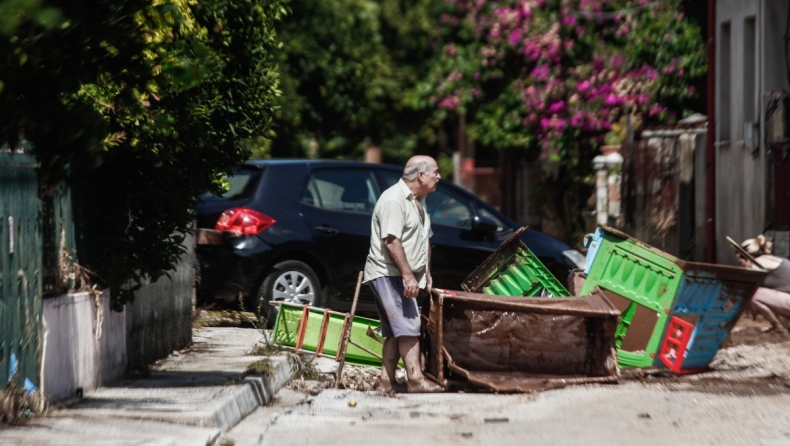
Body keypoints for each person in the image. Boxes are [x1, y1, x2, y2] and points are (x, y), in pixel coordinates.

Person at [363, 155, 444, 393]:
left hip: (400, 274)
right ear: (421, 176)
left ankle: (386, 382)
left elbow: (424, 240)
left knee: (394, 331)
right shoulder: (394, 200)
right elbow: (391, 242)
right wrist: (408, 276)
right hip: (388, 273)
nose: (439, 176)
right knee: (409, 325)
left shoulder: (419, 201)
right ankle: (416, 379)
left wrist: (426, 272)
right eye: (435, 172)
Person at [735, 235, 790, 335]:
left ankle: (778, 327)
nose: (741, 266)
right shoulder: (775, 259)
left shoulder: (757, 262)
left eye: (741, 262)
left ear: (748, 257)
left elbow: (747, 285)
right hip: (786, 301)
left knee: (753, 293)